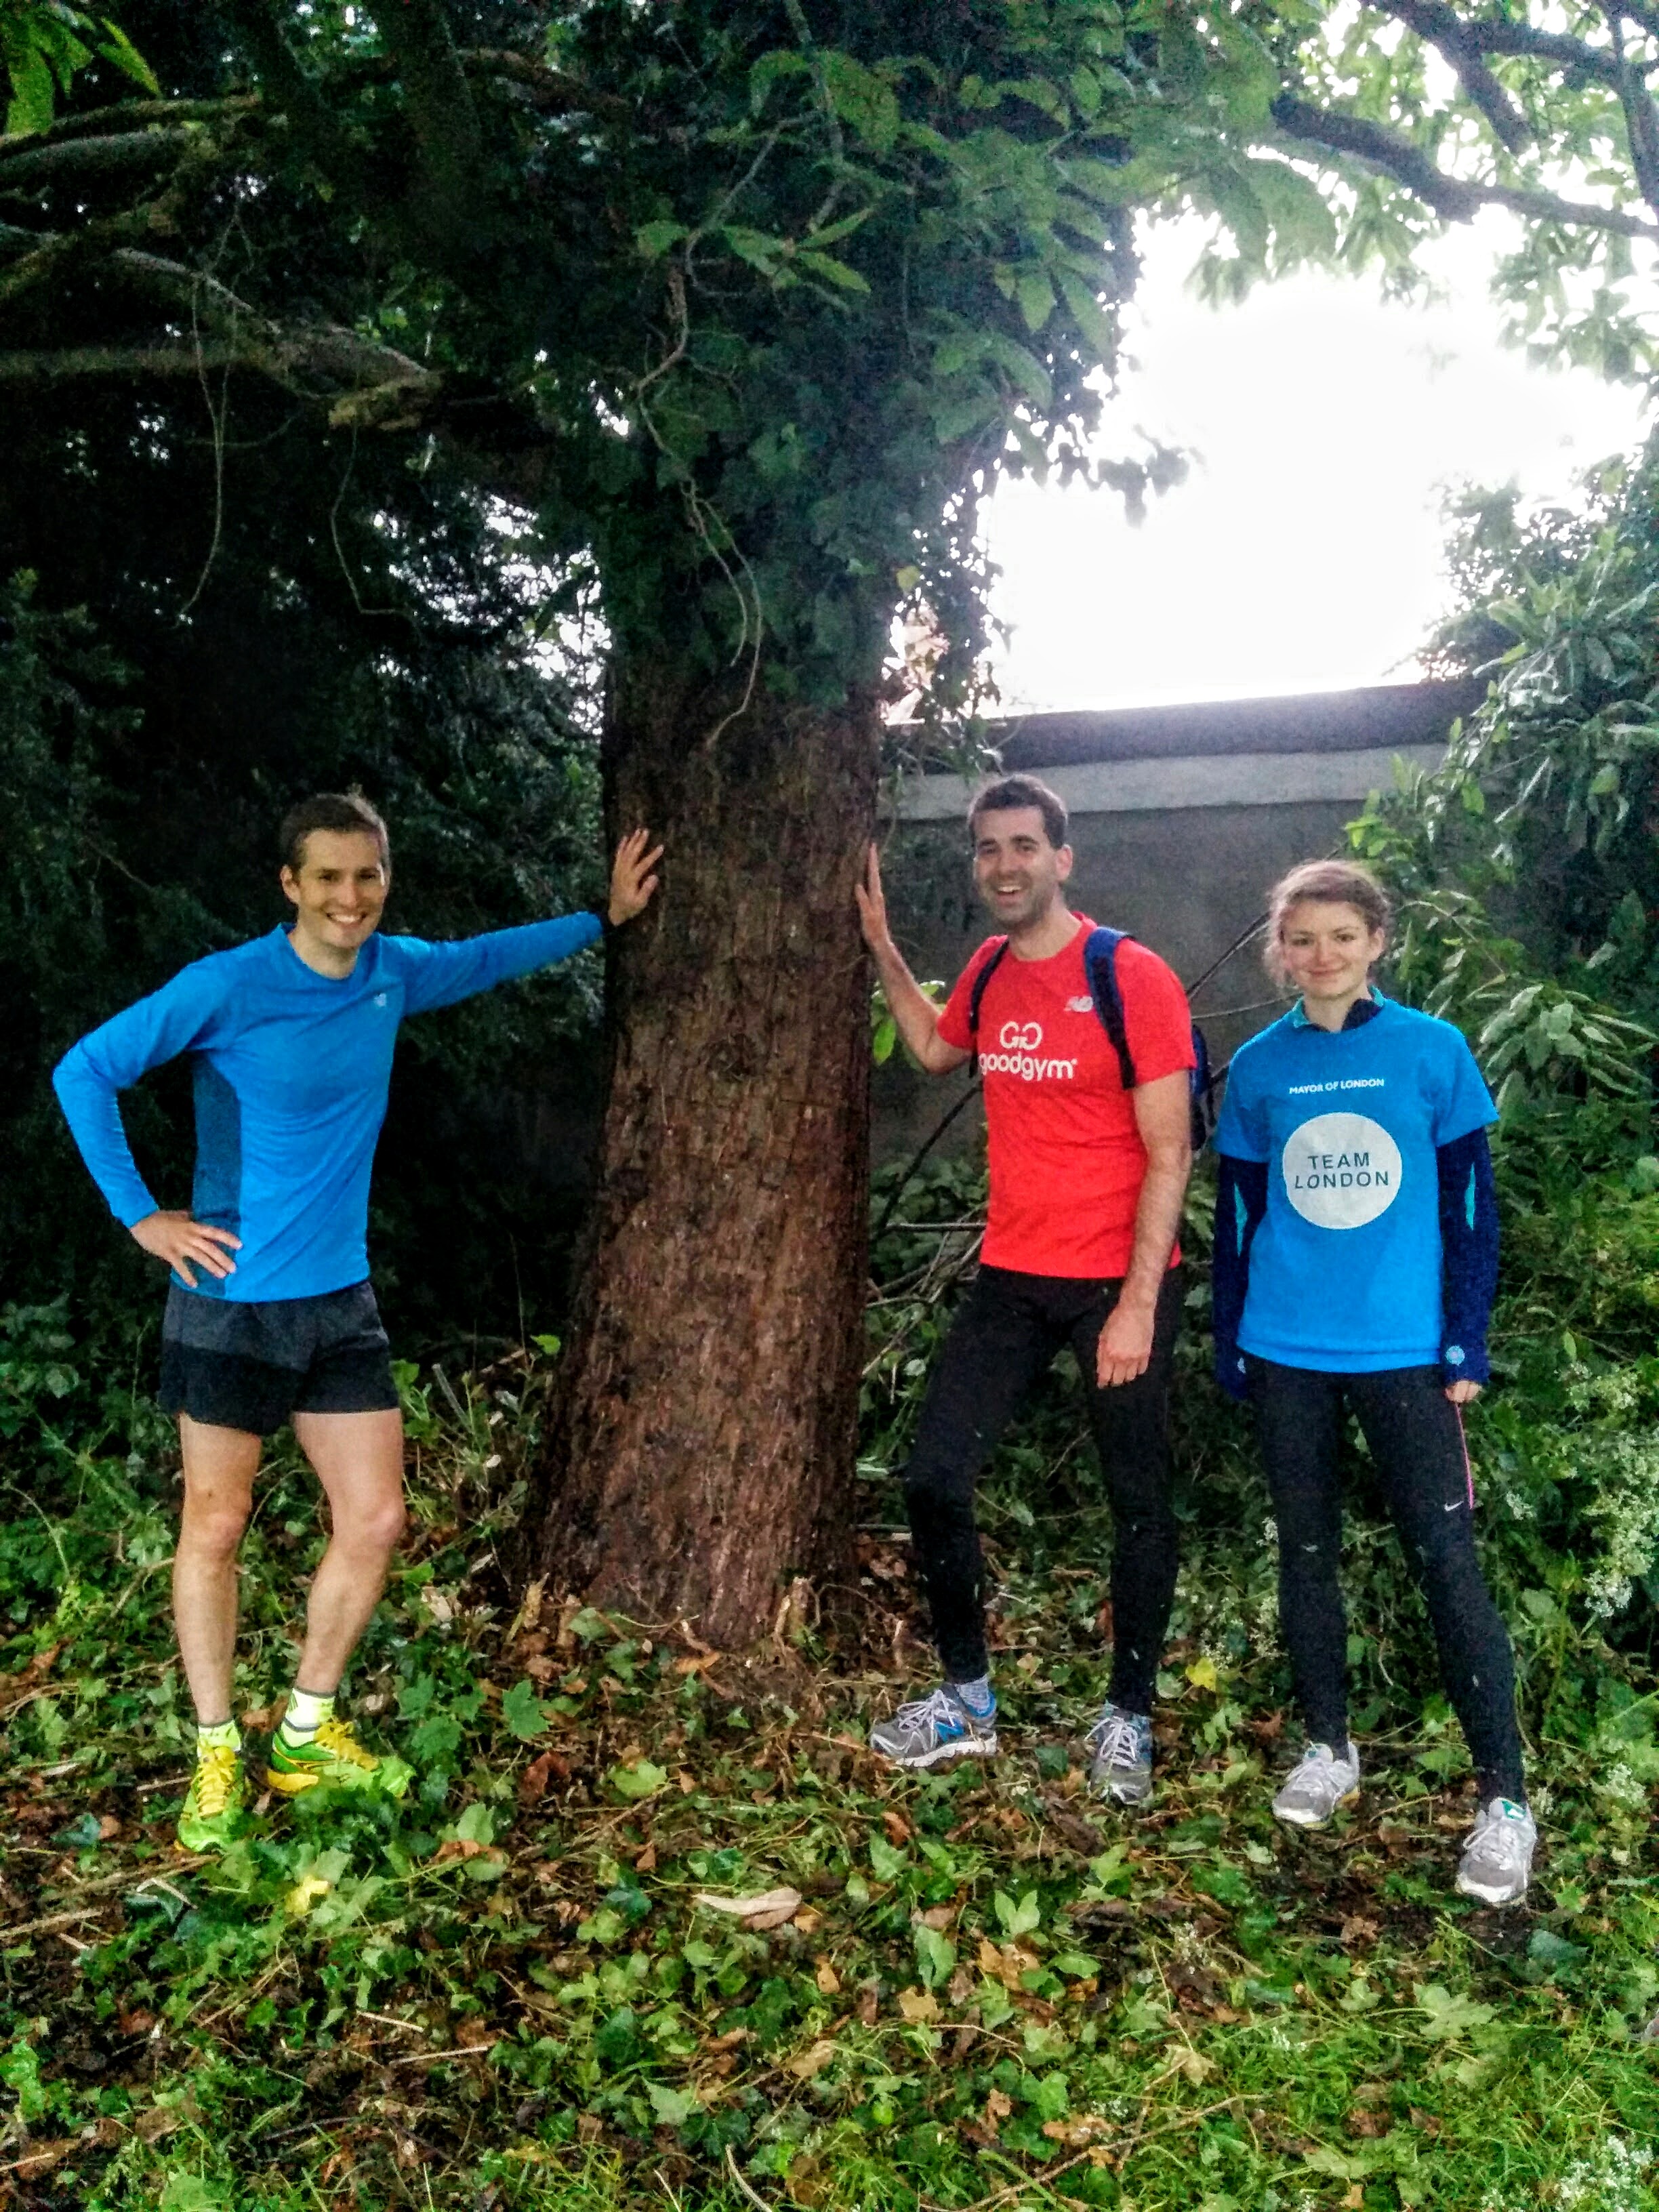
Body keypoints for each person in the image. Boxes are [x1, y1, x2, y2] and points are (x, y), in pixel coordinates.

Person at [54, 793, 661, 1850]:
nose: (350, 897)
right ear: (290, 885)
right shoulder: (228, 985)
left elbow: (486, 957)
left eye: (367, 876)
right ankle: (213, 1753)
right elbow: (86, 1071)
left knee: (375, 1520)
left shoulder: (394, 972)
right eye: (328, 877)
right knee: (216, 1526)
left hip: (339, 1300)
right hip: (230, 1302)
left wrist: (600, 919)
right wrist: (144, 1218)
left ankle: (303, 1731)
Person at [855, 775, 1195, 1801]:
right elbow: (929, 1047)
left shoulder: (1129, 975)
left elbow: (1171, 1153)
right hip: (1013, 1274)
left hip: (1116, 1285)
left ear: (1063, 858)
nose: (1004, 866)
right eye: (988, 849)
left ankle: (1127, 1716)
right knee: (932, 1477)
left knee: (1138, 1503)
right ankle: (966, 1701)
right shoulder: (993, 969)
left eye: (1023, 846)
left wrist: (1137, 1304)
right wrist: (879, 941)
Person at [1212, 857, 1534, 1906]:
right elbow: (1242, 1216)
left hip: (1405, 1353)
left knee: (1445, 1561)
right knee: (1305, 1553)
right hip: (1288, 1346)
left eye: (1341, 935)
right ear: (1280, 948)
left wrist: (1464, 1342)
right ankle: (1328, 1747)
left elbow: (1473, 1211)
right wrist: (1229, 1337)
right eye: (1301, 938)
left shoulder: (1430, 1050)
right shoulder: (1261, 1066)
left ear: (1377, 943)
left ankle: (1505, 1802)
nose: (1321, 956)